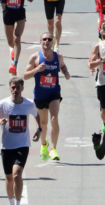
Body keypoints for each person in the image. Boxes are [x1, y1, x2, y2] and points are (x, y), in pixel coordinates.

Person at [0, 76, 42, 205]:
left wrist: (39, 129)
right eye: (12, 87)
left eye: (17, 87)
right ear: (9, 88)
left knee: (17, 175)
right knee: (8, 179)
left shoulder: (28, 103)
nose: (15, 90)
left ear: (22, 89)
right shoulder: (3, 104)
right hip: (7, 146)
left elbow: (36, 114)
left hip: (22, 145)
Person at [24, 31, 71, 161]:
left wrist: (66, 72)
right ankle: (44, 144)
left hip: (54, 93)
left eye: (49, 39)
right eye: (44, 39)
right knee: (43, 123)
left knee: (54, 119)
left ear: (53, 42)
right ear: (40, 42)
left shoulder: (58, 56)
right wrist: (36, 69)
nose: (47, 41)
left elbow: (62, 66)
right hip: (40, 95)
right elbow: (25, 75)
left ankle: (54, 149)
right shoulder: (35, 58)